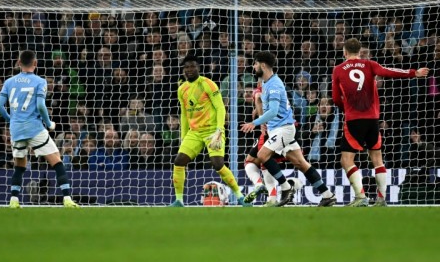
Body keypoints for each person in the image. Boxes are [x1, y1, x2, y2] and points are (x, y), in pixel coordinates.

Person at [332, 38, 429, 207]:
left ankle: (361, 197)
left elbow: (334, 98)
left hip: (354, 120)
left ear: (345, 52)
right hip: (373, 120)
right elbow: (390, 72)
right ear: (360, 51)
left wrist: (345, 108)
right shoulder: (370, 64)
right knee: (377, 159)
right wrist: (414, 72)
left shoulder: (338, 70)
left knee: (346, 160)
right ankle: (381, 198)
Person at [241, 51, 336, 207]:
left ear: (263, 65)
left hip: (283, 129)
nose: (254, 66)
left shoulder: (274, 85)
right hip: (278, 130)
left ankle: (286, 187)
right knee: (301, 163)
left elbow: (272, 111)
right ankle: (328, 195)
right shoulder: (266, 83)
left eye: (256, 63)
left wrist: (255, 123)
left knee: (262, 155)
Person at [0, 50, 79, 208]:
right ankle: (67, 199)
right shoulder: (40, 81)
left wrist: (10, 119)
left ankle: (13, 200)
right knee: (57, 162)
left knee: (19, 166)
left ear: (19, 63)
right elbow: (40, 105)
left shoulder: (9, 82)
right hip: (34, 128)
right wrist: (49, 123)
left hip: (16, 130)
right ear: (35, 63)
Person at [169, 55, 250, 207]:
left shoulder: (208, 84)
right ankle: (179, 200)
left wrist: (219, 130)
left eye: (192, 66)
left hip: (213, 130)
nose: (189, 69)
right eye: (186, 67)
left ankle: (240, 196)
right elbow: (184, 114)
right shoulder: (182, 89)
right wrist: (183, 136)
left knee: (218, 164)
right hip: (194, 132)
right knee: (179, 161)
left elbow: (220, 107)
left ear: (198, 68)